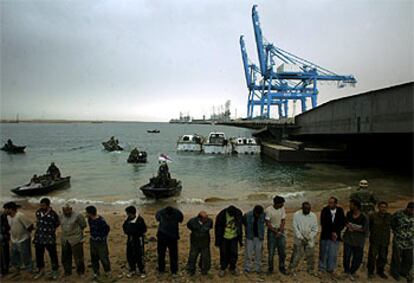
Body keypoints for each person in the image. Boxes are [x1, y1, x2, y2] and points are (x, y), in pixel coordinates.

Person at [32, 198, 60, 280]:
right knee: (39, 255)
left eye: (43, 205)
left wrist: (49, 230)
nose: (42, 206)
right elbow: (37, 222)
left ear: (48, 205)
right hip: (39, 237)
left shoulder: (53, 214)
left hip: (49, 237)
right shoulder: (38, 212)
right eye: (41, 205)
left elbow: (57, 224)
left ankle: (55, 271)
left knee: (53, 255)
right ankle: (41, 270)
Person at [288, 202, 318, 276]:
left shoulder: (313, 216)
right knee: (296, 254)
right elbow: (295, 228)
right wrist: (301, 238)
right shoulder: (296, 215)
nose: (308, 210)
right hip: (299, 238)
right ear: (302, 208)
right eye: (306, 209)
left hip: (309, 238)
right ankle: (292, 269)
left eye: (309, 209)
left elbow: (315, 229)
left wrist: (309, 237)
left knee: (310, 255)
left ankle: (310, 269)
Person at [4, 202, 34, 277]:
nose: (4, 211)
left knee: (26, 256)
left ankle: (30, 270)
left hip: (23, 239)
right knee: (14, 256)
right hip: (14, 239)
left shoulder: (20, 216)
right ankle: (17, 271)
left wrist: (28, 235)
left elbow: (30, 226)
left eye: (6, 209)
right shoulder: (8, 217)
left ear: (11, 209)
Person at [342, 199, 369, 281]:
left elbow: (365, 230)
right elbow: (345, 222)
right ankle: (346, 271)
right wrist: (347, 226)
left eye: (351, 204)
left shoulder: (364, 217)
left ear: (356, 206)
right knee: (346, 256)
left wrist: (354, 228)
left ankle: (352, 271)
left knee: (358, 258)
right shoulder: (349, 214)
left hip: (358, 241)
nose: (349, 206)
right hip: (348, 239)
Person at [319, 197, 345, 275]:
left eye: (331, 203)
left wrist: (336, 232)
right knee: (323, 252)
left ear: (335, 203)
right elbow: (323, 222)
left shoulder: (340, 210)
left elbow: (342, 223)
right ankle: (322, 268)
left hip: (336, 235)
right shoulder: (325, 210)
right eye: (329, 202)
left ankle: (330, 268)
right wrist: (332, 232)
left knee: (333, 253)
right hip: (325, 234)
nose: (330, 204)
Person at [215, 205, 243, 277]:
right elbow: (217, 228)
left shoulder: (238, 213)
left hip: (234, 237)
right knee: (224, 253)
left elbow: (240, 226)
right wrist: (217, 241)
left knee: (234, 253)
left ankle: (232, 268)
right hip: (224, 237)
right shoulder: (222, 215)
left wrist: (240, 240)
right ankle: (223, 268)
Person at [59, 203, 87, 278]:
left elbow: (83, 225)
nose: (66, 212)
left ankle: (81, 272)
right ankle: (67, 271)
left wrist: (79, 234)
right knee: (65, 257)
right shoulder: (60, 216)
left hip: (76, 238)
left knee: (78, 257)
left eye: (68, 210)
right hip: (65, 239)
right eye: (65, 210)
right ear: (63, 210)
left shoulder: (78, 215)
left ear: (71, 209)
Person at [155, 206, 183, 275]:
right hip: (163, 235)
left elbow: (181, 220)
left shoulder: (177, 213)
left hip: (172, 236)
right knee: (162, 254)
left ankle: (173, 270)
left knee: (172, 254)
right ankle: (162, 269)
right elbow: (181, 220)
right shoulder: (160, 212)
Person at [86, 205, 111, 280]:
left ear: (90, 213)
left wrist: (102, 237)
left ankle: (107, 271)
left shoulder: (101, 221)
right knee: (94, 257)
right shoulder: (90, 219)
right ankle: (96, 272)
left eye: (87, 212)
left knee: (103, 257)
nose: (86, 214)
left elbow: (107, 229)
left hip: (101, 242)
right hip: (93, 240)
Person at [390, 202, 414, 282]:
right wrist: (396, 231)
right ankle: (395, 273)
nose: (412, 211)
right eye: (411, 209)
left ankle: (404, 272)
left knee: (408, 259)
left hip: (410, 242)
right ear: (407, 208)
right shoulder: (398, 214)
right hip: (398, 240)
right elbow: (392, 222)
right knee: (396, 258)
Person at [367, 201, 391, 279]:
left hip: (385, 241)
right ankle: (370, 272)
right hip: (375, 240)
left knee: (383, 257)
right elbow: (369, 227)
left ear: (387, 208)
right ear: (378, 207)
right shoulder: (373, 216)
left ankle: (380, 271)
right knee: (372, 257)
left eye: (384, 207)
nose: (383, 208)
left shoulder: (389, 216)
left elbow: (393, 226)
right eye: (381, 207)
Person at [122, 206, 147, 278]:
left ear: (131, 213)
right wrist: (128, 232)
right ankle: (132, 270)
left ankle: (142, 270)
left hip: (138, 240)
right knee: (129, 255)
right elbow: (124, 227)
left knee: (139, 255)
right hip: (130, 239)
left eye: (128, 213)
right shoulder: (128, 219)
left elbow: (144, 229)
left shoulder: (140, 220)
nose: (127, 214)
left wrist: (135, 232)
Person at [186, 211, 213, 276]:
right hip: (195, 242)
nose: (207, 219)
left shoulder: (209, 221)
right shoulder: (192, 221)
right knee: (193, 256)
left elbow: (210, 227)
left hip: (205, 242)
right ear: (200, 218)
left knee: (206, 257)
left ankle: (205, 270)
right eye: (205, 218)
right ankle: (191, 270)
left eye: (207, 217)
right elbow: (189, 226)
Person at [265, 195, 287, 275]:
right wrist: (275, 232)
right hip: (271, 232)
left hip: (280, 231)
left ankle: (282, 267)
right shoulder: (268, 210)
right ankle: (270, 268)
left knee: (282, 251)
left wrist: (280, 231)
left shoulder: (282, 209)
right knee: (271, 251)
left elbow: (283, 220)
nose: (283, 205)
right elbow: (268, 223)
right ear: (277, 204)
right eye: (281, 204)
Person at [242, 205, 265, 273]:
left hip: (259, 236)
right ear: (254, 212)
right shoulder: (247, 215)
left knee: (258, 253)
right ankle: (247, 268)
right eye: (257, 214)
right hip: (250, 237)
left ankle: (257, 268)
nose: (258, 215)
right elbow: (244, 224)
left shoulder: (263, 215)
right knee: (248, 253)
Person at [0, 205, 11, 276]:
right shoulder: (3, 215)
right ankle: (4, 269)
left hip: (3, 237)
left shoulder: (3, 215)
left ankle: (4, 270)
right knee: (4, 254)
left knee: (4, 254)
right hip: (3, 237)